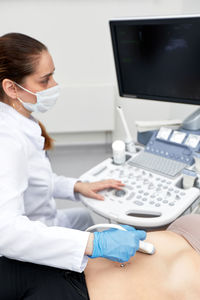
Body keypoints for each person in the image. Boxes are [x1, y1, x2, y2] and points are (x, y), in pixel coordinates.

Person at [0, 32, 146, 299]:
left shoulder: (21, 121)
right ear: (12, 88)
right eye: (45, 80)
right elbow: (6, 232)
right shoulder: (6, 141)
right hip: (25, 245)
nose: (55, 85)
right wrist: (94, 244)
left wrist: (79, 187)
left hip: (45, 219)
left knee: (85, 218)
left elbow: (35, 178)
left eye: (52, 75)